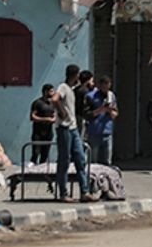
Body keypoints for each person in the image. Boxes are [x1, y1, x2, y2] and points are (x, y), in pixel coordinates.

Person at [52, 64, 95, 203]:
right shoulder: (63, 87)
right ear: (75, 75)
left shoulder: (71, 89)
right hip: (64, 128)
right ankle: (63, 193)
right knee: (64, 160)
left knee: (80, 158)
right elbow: (55, 99)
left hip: (73, 128)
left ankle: (84, 191)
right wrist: (61, 111)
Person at [85, 75, 118, 166]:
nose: (105, 90)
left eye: (107, 87)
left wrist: (110, 111)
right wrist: (102, 109)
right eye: (103, 87)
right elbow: (87, 115)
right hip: (94, 132)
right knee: (93, 161)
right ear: (100, 86)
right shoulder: (91, 96)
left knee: (107, 161)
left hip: (107, 132)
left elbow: (115, 113)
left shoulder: (111, 96)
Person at [29, 84, 57, 165]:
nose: (53, 93)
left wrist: (54, 118)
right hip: (38, 133)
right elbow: (32, 117)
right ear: (45, 92)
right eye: (51, 91)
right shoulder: (37, 103)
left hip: (48, 133)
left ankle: (42, 173)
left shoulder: (52, 103)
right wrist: (46, 119)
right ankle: (31, 173)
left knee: (45, 155)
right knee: (35, 153)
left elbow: (54, 114)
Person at [75, 69, 95, 138]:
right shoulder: (87, 92)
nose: (93, 83)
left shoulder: (75, 90)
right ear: (88, 81)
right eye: (92, 81)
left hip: (76, 117)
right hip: (83, 118)